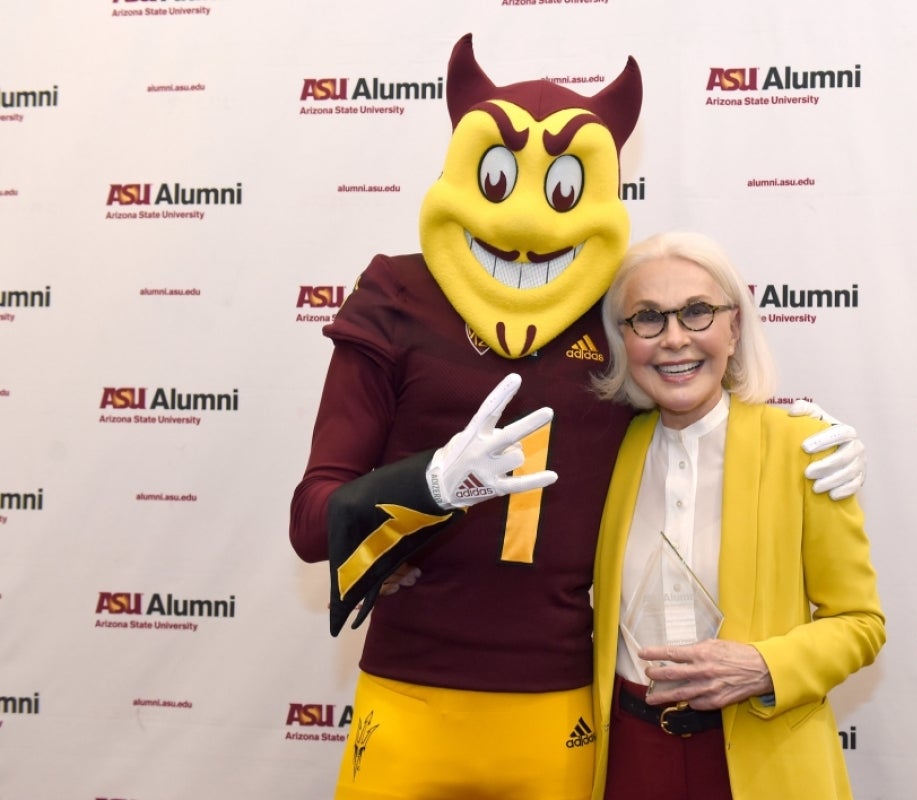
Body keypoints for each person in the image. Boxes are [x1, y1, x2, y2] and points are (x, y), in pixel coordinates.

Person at [290, 35, 867, 800]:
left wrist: (808, 435)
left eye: (560, 187)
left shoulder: (607, 320)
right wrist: (421, 487)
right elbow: (311, 521)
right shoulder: (399, 296)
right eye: (498, 179)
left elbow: (693, 392)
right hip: (410, 686)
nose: (526, 220)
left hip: (561, 703)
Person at [590, 231, 886, 800]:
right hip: (629, 756)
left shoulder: (805, 450)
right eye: (647, 318)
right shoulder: (605, 453)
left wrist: (763, 665)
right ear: (623, 340)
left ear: (734, 328)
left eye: (697, 312)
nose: (675, 339)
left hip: (763, 755)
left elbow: (860, 623)